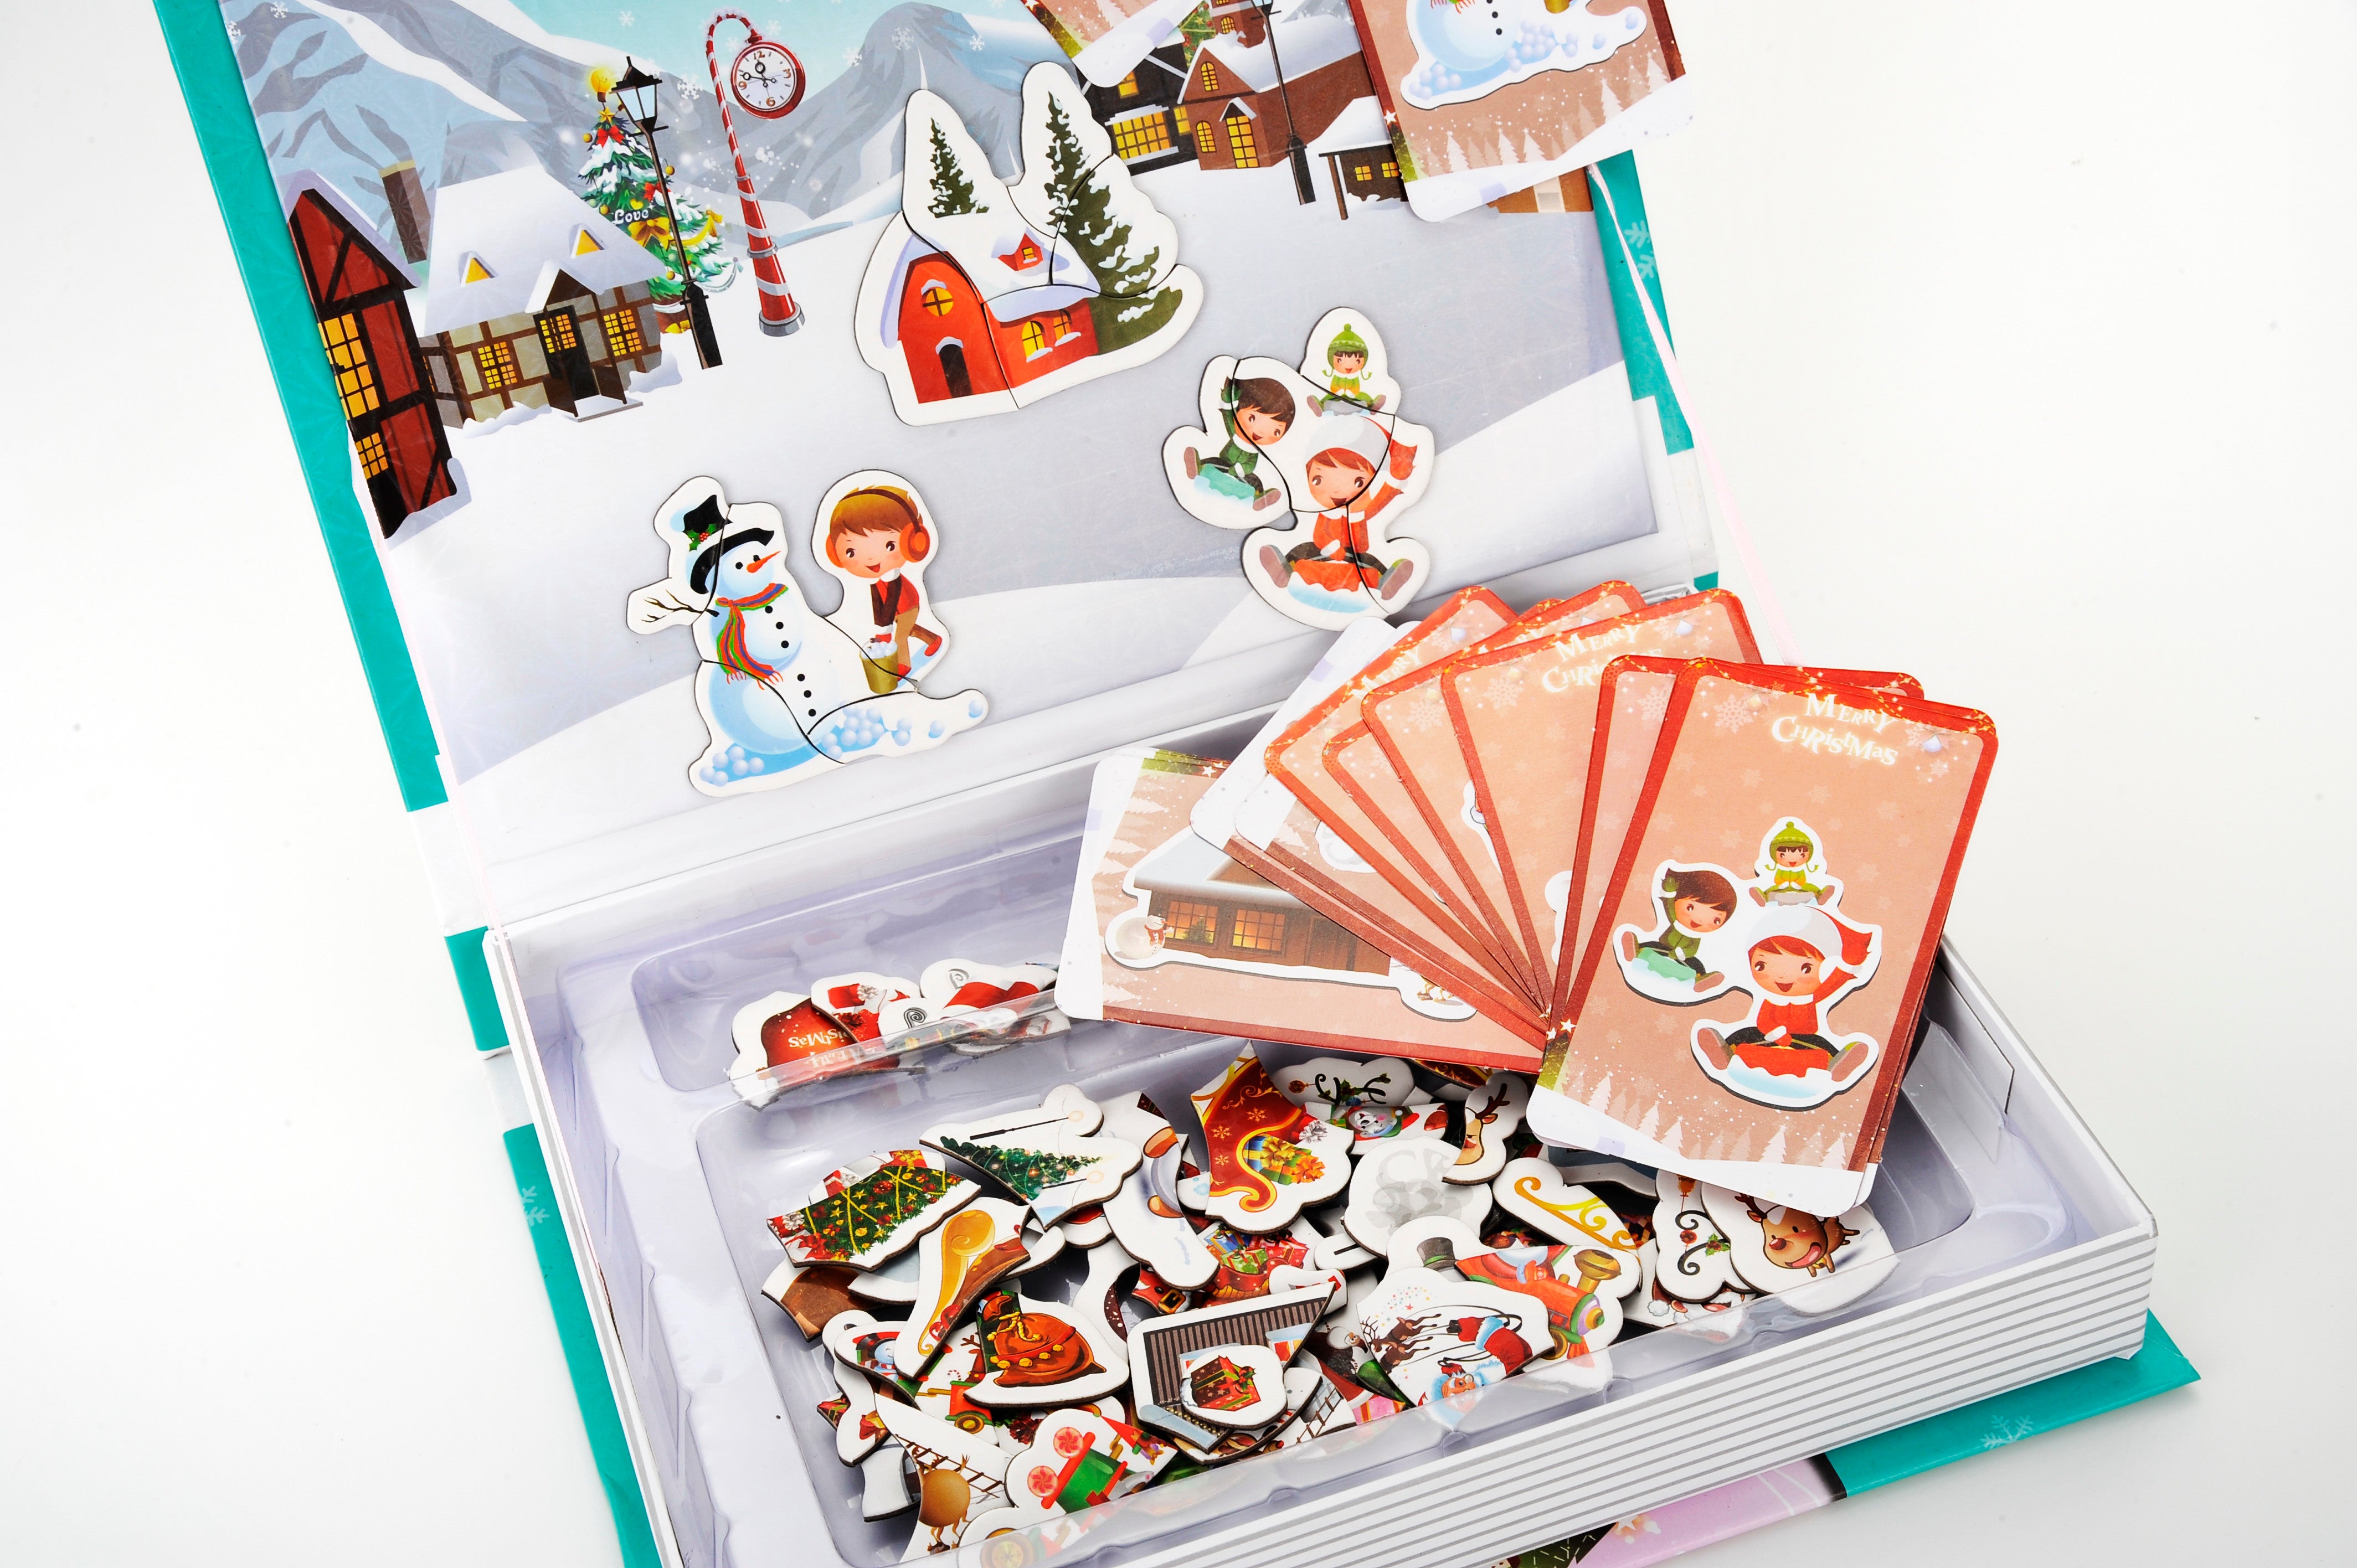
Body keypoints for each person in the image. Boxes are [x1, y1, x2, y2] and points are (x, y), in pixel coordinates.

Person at [1694, 907, 1878, 1082]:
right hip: (1769, 1037)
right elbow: (1764, 1020)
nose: (1782, 976)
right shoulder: (1772, 1000)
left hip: (1804, 1039)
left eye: (1805, 968)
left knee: (1823, 1045)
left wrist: (1846, 969)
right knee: (1744, 1034)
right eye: (1761, 966)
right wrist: (1776, 1033)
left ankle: (1838, 1064)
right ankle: (1723, 1052)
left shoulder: (1810, 998)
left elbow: (1833, 984)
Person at [1258, 421, 1420, 600]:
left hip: (1351, 555)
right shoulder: (1326, 513)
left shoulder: (1358, 514)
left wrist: (1357, 520)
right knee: (1302, 550)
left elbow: (1363, 544)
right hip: (1323, 551)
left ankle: (1385, 581)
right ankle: (1284, 570)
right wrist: (1332, 548)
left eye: (1358, 482)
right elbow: (1320, 535)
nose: (1337, 492)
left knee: (1369, 563)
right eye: (1319, 480)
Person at [822, 484, 943, 690]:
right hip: (895, 610)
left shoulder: (893, 580)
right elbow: (878, 602)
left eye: (889, 546)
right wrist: (880, 629)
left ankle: (903, 666)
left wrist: (885, 632)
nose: (870, 558)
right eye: (851, 551)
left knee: (901, 635)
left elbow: (893, 600)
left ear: (914, 542)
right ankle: (934, 639)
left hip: (908, 605)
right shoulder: (876, 582)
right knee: (909, 629)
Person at [1619, 866, 1738, 991]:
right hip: (1665, 946)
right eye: (1690, 907)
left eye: (1716, 920)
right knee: (1651, 946)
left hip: (1683, 956)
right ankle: (1634, 950)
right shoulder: (1676, 921)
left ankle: (1701, 979)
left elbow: (1692, 949)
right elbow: (1670, 906)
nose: (1699, 920)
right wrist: (1669, 892)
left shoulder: (1696, 937)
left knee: (1697, 965)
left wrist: (1682, 953)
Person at [1185, 376, 1294, 510]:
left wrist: (1240, 470)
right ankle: (1197, 468)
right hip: (1225, 461)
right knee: (1213, 462)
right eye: (1252, 418)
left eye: (1276, 431)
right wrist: (1227, 403)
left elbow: (1250, 465)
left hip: (1242, 472)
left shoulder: (1256, 450)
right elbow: (1228, 418)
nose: (1260, 431)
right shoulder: (1237, 433)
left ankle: (1259, 498)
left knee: (1255, 482)